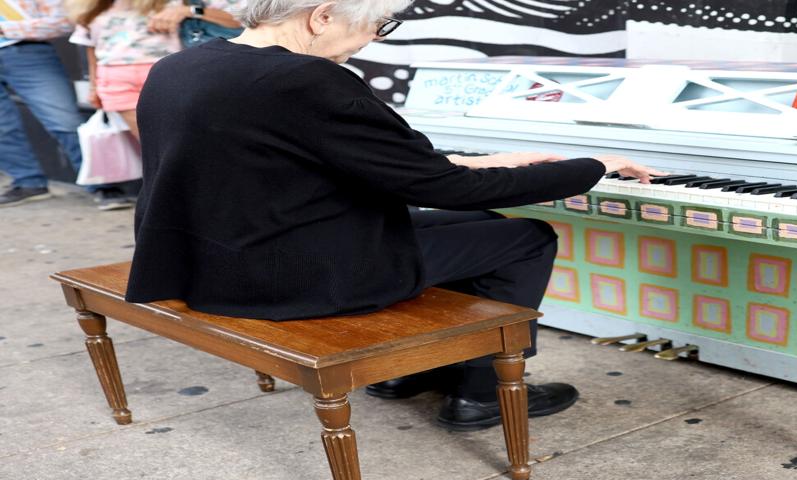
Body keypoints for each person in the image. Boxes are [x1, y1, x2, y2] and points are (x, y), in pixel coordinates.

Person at [124, 0, 663, 431]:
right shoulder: (305, 80)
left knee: (485, 226)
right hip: (294, 276)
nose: (370, 41)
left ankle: (413, 369)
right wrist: (590, 167)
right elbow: (446, 190)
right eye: (376, 26)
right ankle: (481, 394)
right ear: (322, 16)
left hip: (219, 260)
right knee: (528, 237)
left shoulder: (181, 67)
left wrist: (479, 161)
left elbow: (301, 160)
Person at [0, 0, 129, 209]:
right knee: (1, 128)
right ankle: (28, 182)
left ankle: (102, 185)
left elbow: (65, 21)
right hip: (24, 49)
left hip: (27, 51)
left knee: (64, 121)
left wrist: (5, 28)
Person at [66, 0, 180, 141]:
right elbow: (92, 49)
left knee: (178, 139)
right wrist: (93, 87)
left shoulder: (169, 3)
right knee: (152, 142)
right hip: (117, 82)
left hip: (165, 76)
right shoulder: (89, 7)